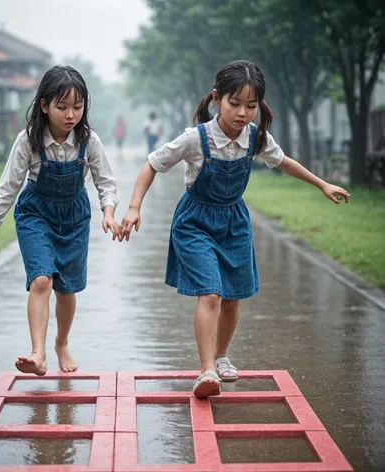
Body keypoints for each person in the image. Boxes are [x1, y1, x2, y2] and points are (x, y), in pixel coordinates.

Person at [119, 60, 350, 399]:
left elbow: (284, 162)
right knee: (210, 293)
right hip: (195, 222)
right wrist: (134, 206)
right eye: (235, 103)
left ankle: (221, 355)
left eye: (252, 106)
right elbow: (152, 165)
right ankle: (206, 369)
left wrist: (322, 184)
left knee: (232, 298)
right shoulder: (194, 139)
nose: (243, 113)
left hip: (234, 222)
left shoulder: (256, 138)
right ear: (217, 99)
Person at [0, 65, 120, 376]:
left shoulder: (89, 141)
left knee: (67, 291)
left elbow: (106, 182)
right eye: (62, 106)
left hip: (74, 216)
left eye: (78, 107)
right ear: (44, 105)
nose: (71, 114)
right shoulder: (28, 140)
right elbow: (7, 187)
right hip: (36, 214)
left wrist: (108, 212)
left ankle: (61, 343)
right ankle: (38, 354)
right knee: (41, 280)